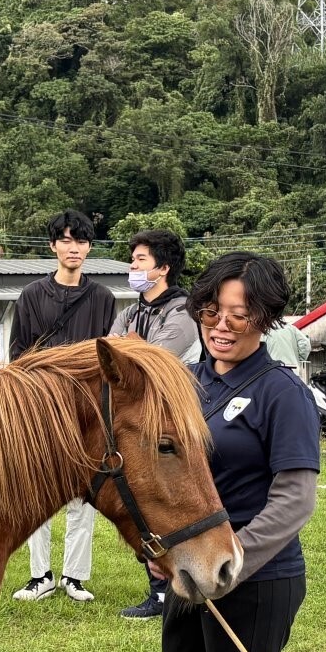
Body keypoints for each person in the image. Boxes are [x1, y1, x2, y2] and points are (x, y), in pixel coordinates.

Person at [160, 251, 319, 652]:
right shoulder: (191, 382)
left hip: (256, 578)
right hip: (191, 576)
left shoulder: (281, 391)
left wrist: (237, 558)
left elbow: (294, 497)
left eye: (240, 315)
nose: (222, 325)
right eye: (211, 311)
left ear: (264, 320)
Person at [9, 210, 118, 603]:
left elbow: (109, 356)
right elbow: (19, 355)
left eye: (82, 241)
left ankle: (75, 576)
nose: (74, 248)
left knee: (83, 496)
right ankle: (40, 576)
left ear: (89, 248)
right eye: (66, 240)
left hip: (86, 409)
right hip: (41, 408)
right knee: (37, 492)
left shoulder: (103, 298)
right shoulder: (32, 296)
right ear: (53, 246)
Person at [110, 228, 199, 619]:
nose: (132, 266)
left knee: (175, 498)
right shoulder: (132, 311)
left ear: (163, 267)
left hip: (174, 423)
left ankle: (179, 584)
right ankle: (159, 590)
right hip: (139, 419)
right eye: (132, 261)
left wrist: (130, 348)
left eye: (140, 260)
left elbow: (152, 362)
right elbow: (109, 352)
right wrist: (130, 348)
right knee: (143, 499)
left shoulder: (182, 312)